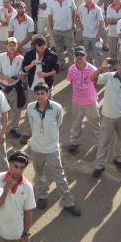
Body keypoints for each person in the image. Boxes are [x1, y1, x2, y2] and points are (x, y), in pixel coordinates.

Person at [26, 84, 82, 216]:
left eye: (42, 93)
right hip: (36, 148)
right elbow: (32, 123)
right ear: (34, 95)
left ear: (48, 94)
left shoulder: (56, 107)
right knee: (39, 174)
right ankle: (42, 196)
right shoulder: (30, 107)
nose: (40, 96)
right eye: (37, 94)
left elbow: (59, 123)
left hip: (52, 148)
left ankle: (68, 202)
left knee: (59, 175)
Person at [66, 46, 101, 153]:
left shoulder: (92, 69)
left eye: (81, 55)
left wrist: (90, 94)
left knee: (95, 124)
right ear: (74, 57)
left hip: (90, 101)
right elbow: (72, 81)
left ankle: (99, 144)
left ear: (85, 56)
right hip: (76, 101)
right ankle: (74, 142)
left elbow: (97, 83)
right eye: (77, 55)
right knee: (76, 124)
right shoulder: (71, 69)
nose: (79, 57)